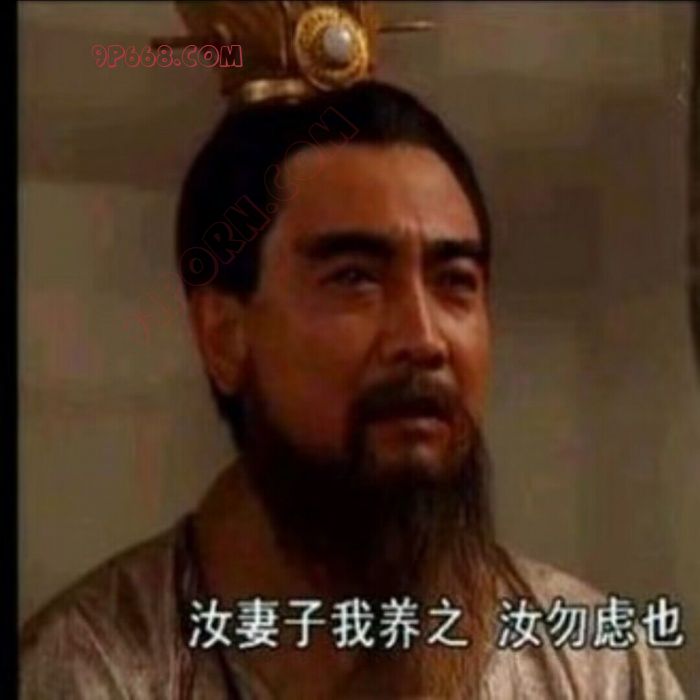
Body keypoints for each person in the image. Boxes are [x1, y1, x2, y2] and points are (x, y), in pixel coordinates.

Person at [21, 3, 685, 698]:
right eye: (354, 279)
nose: (423, 339)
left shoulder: (599, 666)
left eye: (455, 282)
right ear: (223, 334)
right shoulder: (90, 672)